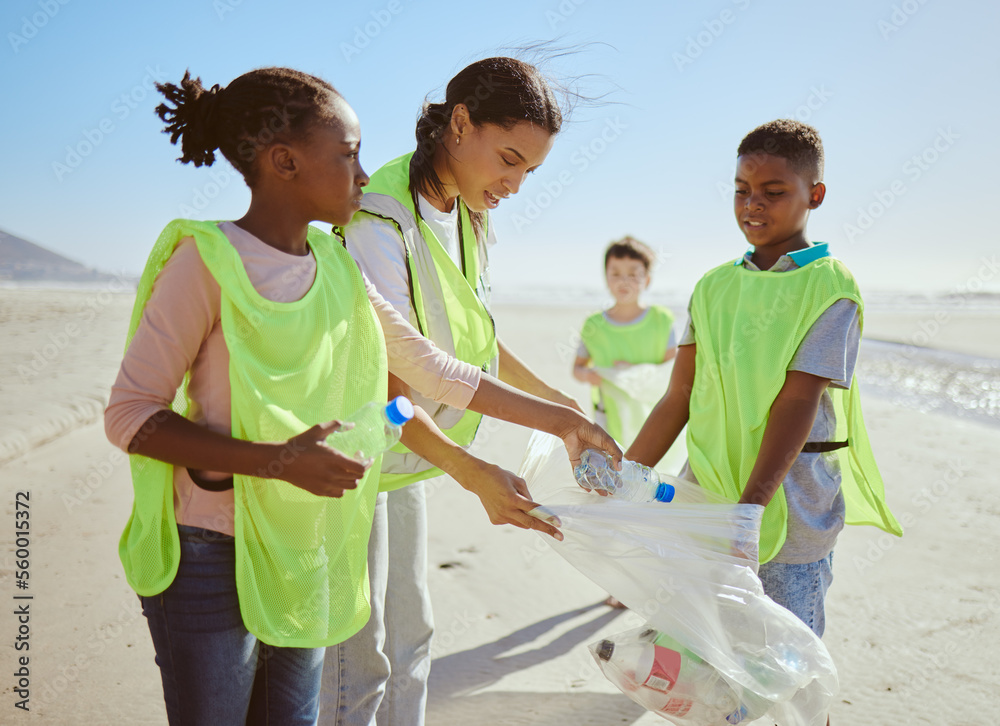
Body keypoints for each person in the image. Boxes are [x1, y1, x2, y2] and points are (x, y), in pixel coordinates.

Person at [105, 67, 619, 726]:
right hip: (211, 549)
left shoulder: (339, 269)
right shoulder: (206, 261)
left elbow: (432, 368)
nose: (366, 173)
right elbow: (129, 414)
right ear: (284, 163)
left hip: (304, 539)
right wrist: (275, 462)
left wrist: (563, 416)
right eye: (347, 155)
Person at [322, 57, 589, 726]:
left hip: (410, 458)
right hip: (356, 455)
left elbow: (467, 339)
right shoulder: (378, 218)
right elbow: (394, 386)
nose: (516, 184)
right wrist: (475, 470)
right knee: (361, 652)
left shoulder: (466, 211)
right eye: (508, 159)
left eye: (529, 170)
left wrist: (559, 402)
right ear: (460, 122)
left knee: (413, 635)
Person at [626, 120, 902, 653]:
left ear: (814, 195)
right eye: (741, 191)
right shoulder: (713, 286)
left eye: (773, 193)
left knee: (789, 669)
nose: (753, 205)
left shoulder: (830, 287)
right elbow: (678, 397)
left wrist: (749, 509)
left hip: (790, 513)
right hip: (705, 500)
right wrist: (623, 475)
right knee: (707, 660)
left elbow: (798, 400)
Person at [573, 236, 678, 447]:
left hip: (653, 415)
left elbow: (673, 372)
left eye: (633, 274)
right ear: (606, 277)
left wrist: (636, 374)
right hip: (609, 416)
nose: (624, 281)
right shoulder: (593, 325)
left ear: (647, 279)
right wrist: (589, 375)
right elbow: (577, 368)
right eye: (616, 274)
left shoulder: (661, 319)